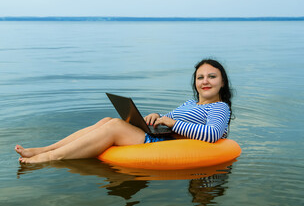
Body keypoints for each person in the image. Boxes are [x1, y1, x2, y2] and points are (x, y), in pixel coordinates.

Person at [15, 59, 233, 163]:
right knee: (107, 120)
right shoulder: (190, 103)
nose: (205, 81)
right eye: (200, 77)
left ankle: (52, 157)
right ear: (195, 82)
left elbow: (212, 134)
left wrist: (172, 123)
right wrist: (157, 117)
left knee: (116, 126)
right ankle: (45, 148)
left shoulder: (220, 107)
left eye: (212, 77)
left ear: (222, 82)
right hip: (161, 136)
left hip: (167, 144)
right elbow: (170, 119)